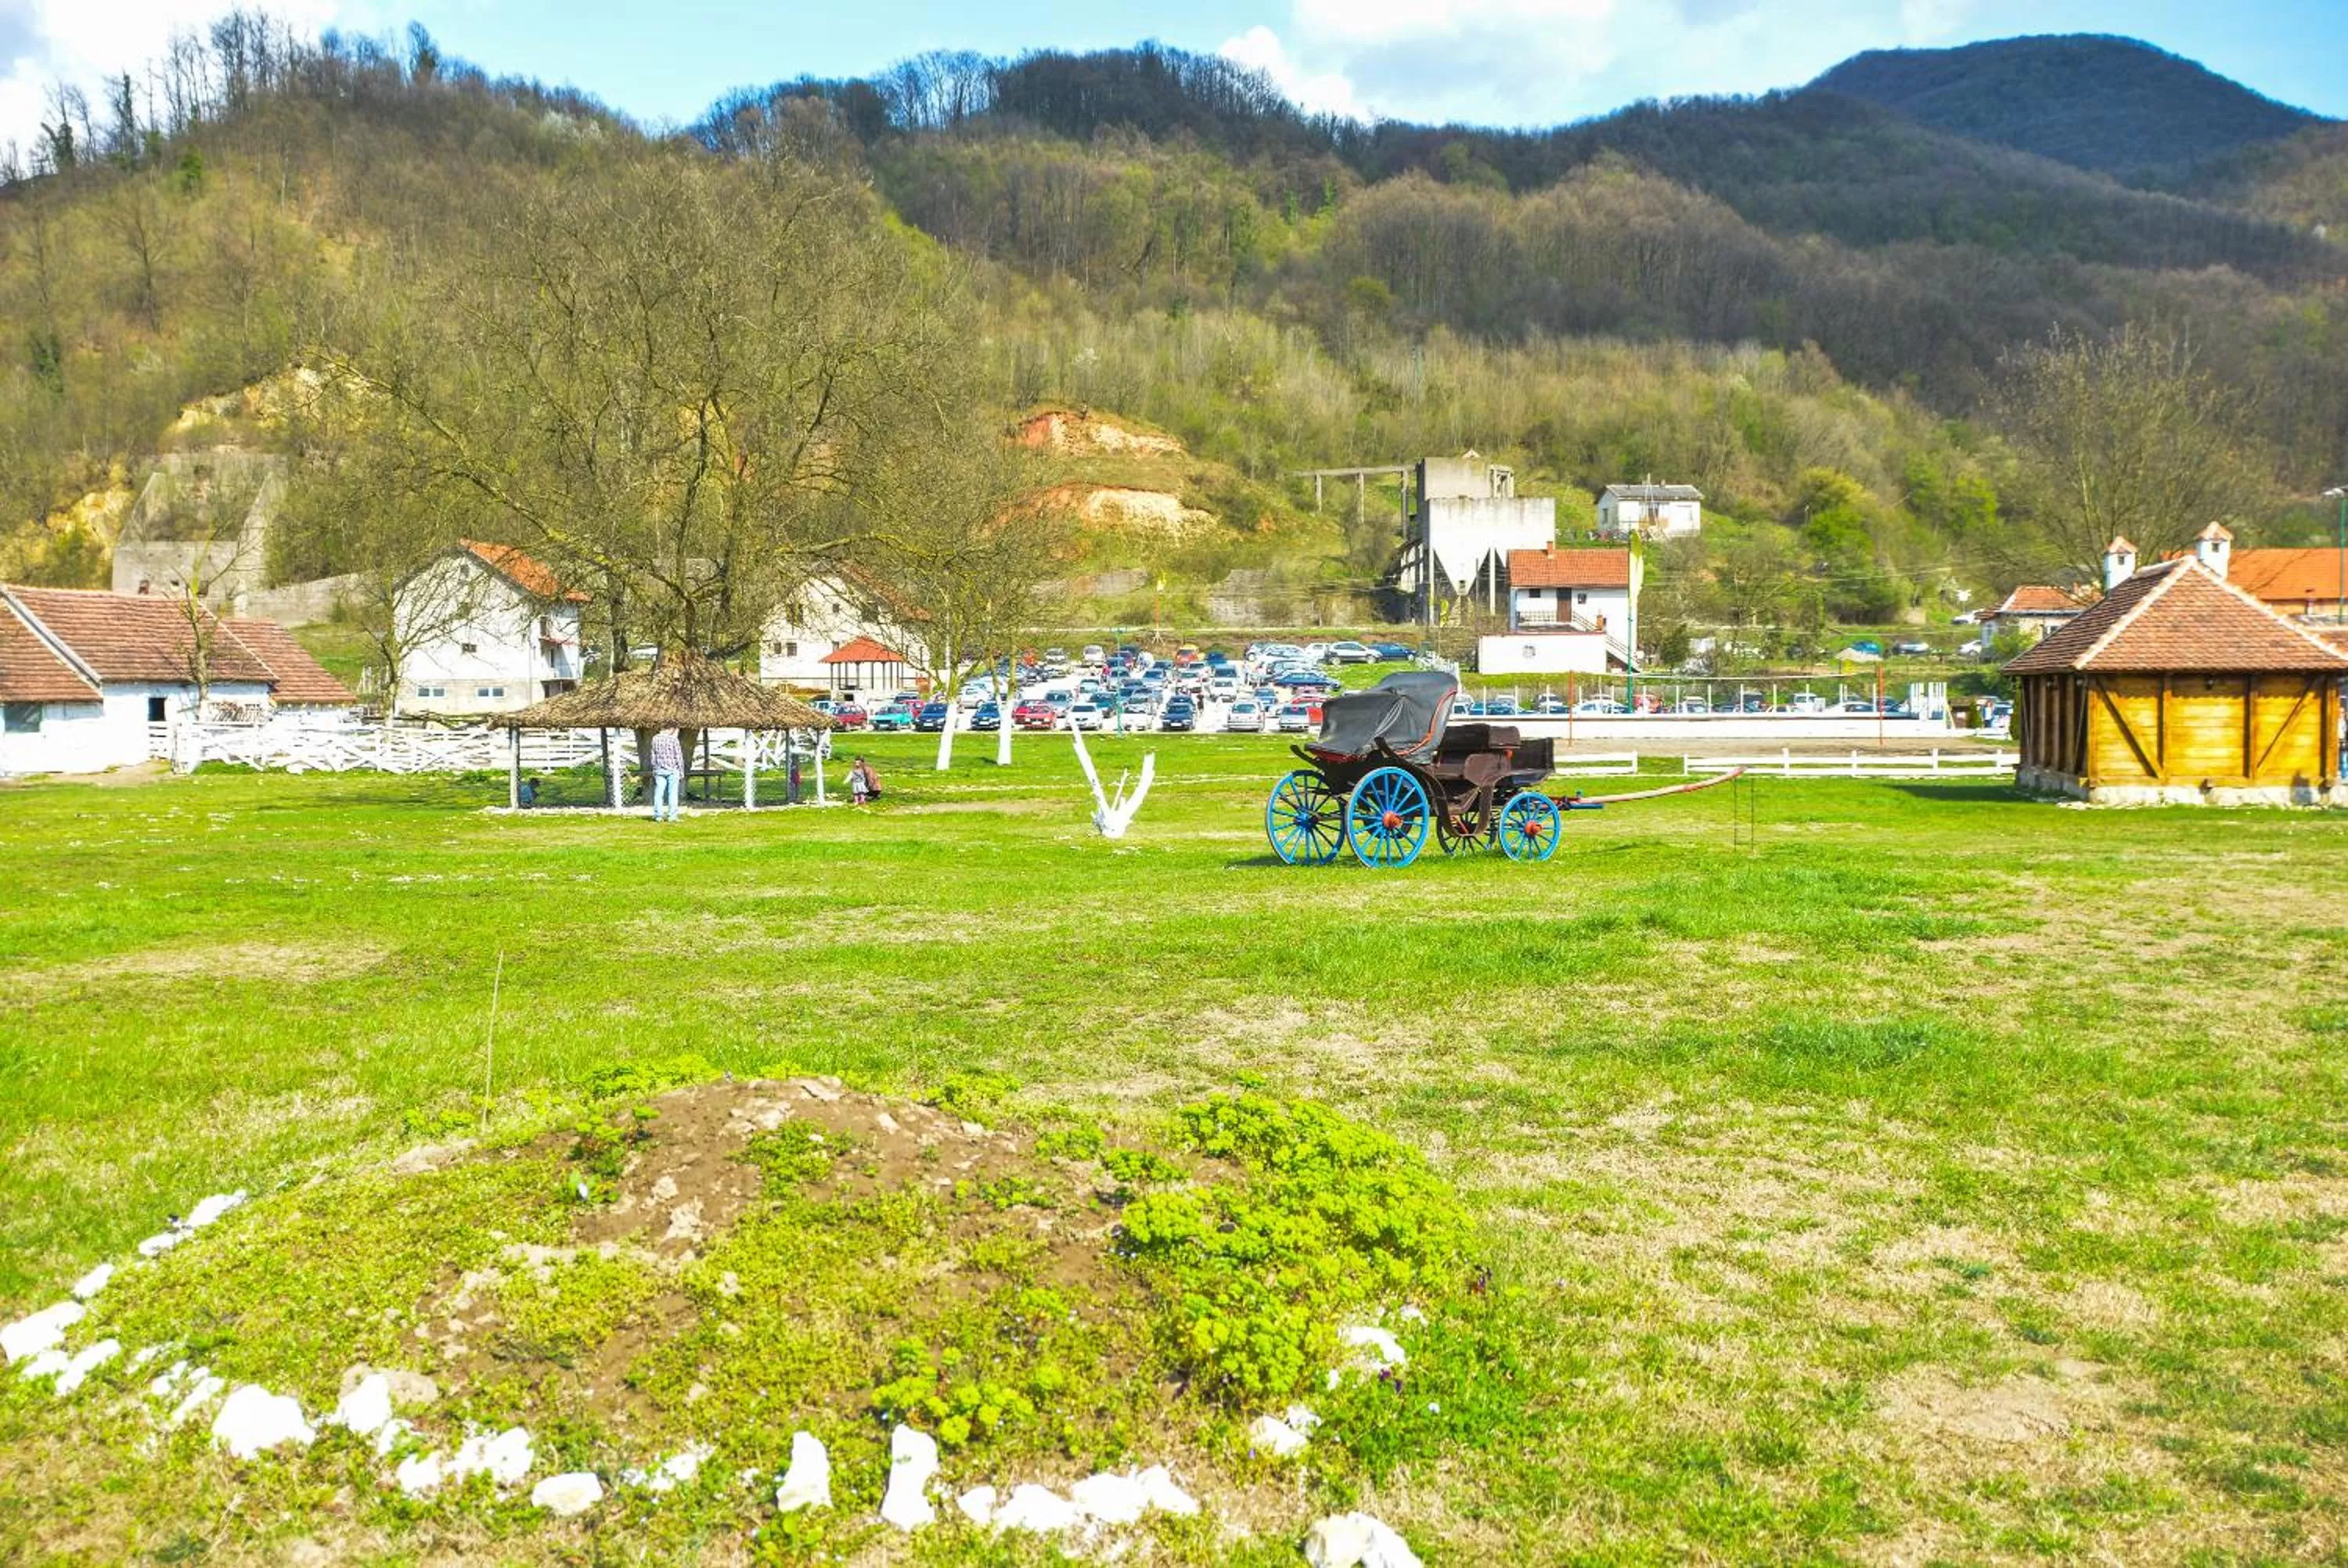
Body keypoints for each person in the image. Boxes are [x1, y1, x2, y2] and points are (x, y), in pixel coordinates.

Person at [650, 726, 685, 822]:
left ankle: (658, 816)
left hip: (659, 769)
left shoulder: (655, 739)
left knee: (658, 793)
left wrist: (655, 769)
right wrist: (681, 771)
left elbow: (653, 756)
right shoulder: (673, 740)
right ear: (671, 729)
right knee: (672, 793)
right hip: (673, 769)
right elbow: (678, 757)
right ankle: (672, 816)